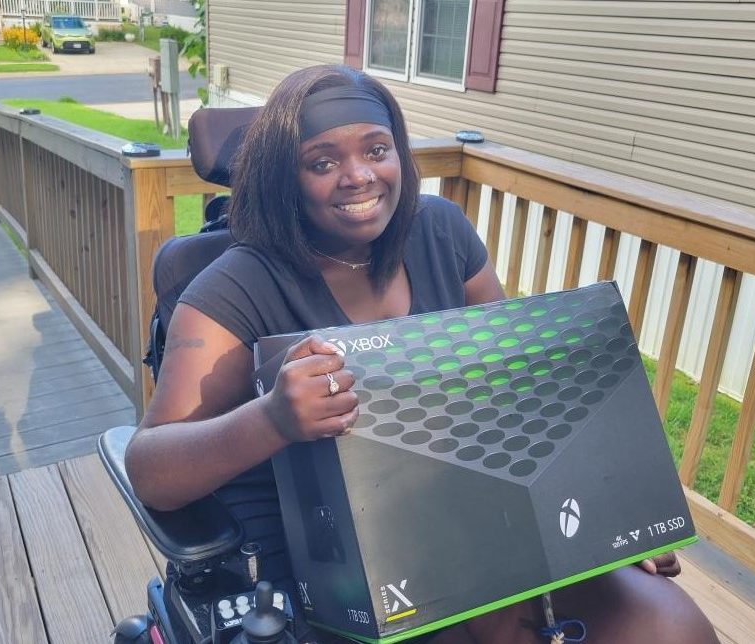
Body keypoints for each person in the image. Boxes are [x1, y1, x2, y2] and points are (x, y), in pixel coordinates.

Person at [125, 64, 718, 643]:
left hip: (469, 516)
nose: (358, 176)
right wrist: (272, 419)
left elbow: (512, 387)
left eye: (377, 150)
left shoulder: (440, 232)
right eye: (322, 162)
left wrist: (611, 529)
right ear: (285, 177)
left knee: (671, 625)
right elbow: (151, 470)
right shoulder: (234, 285)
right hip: (322, 561)